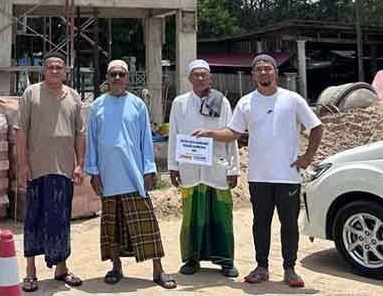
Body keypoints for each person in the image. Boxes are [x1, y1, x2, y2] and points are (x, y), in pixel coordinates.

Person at [193, 54, 323, 289]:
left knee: (289, 224)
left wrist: (307, 157)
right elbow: (233, 132)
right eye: (259, 69)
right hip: (258, 176)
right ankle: (261, 267)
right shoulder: (246, 103)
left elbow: (316, 126)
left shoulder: (292, 100)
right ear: (253, 75)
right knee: (260, 223)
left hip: (287, 175)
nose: (264, 72)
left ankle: (290, 269)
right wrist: (210, 133)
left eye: (268, 68)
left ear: (275, 72)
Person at [85, 59, 176, 290]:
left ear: (127, 78)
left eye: (121, 74)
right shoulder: (97, 106)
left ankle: (158, 270)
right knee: (112, 225)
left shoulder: (137, 105)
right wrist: (93, 172)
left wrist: (149, 169)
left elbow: (146, 139)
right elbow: (91, 141)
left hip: (133, 174)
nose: (117, 78)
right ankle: (116, 267)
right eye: (113, 74)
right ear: (107, 77)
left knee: (146, 224)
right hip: (107, 175)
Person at [17, 54, 86, 292]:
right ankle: (30, 271)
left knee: (61, 220)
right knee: (33, 220)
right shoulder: (31, 94)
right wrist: (23, 163)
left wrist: (79, 164)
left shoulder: (73, 96)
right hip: (36, 170)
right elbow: (21, 131)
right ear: (43, 70)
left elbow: (80, 134)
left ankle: (61, 268)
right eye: (50, 67)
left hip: (63, 170)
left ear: (65, 71)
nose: (55, 70)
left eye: (59, 67)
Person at [167, 59, 240, 278]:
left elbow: (232, 135)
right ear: (189, 78)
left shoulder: (222, 102)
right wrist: (173, 166)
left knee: (222, 215)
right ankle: (192, 259)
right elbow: (174, 136)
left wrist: (233, 168)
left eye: (204, 75)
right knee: (191, 216)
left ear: (210, 78)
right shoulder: (179, 103)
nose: (200, 78)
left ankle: (226, 261)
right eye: (196, 75)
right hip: (190, 167)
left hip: (217, 168)